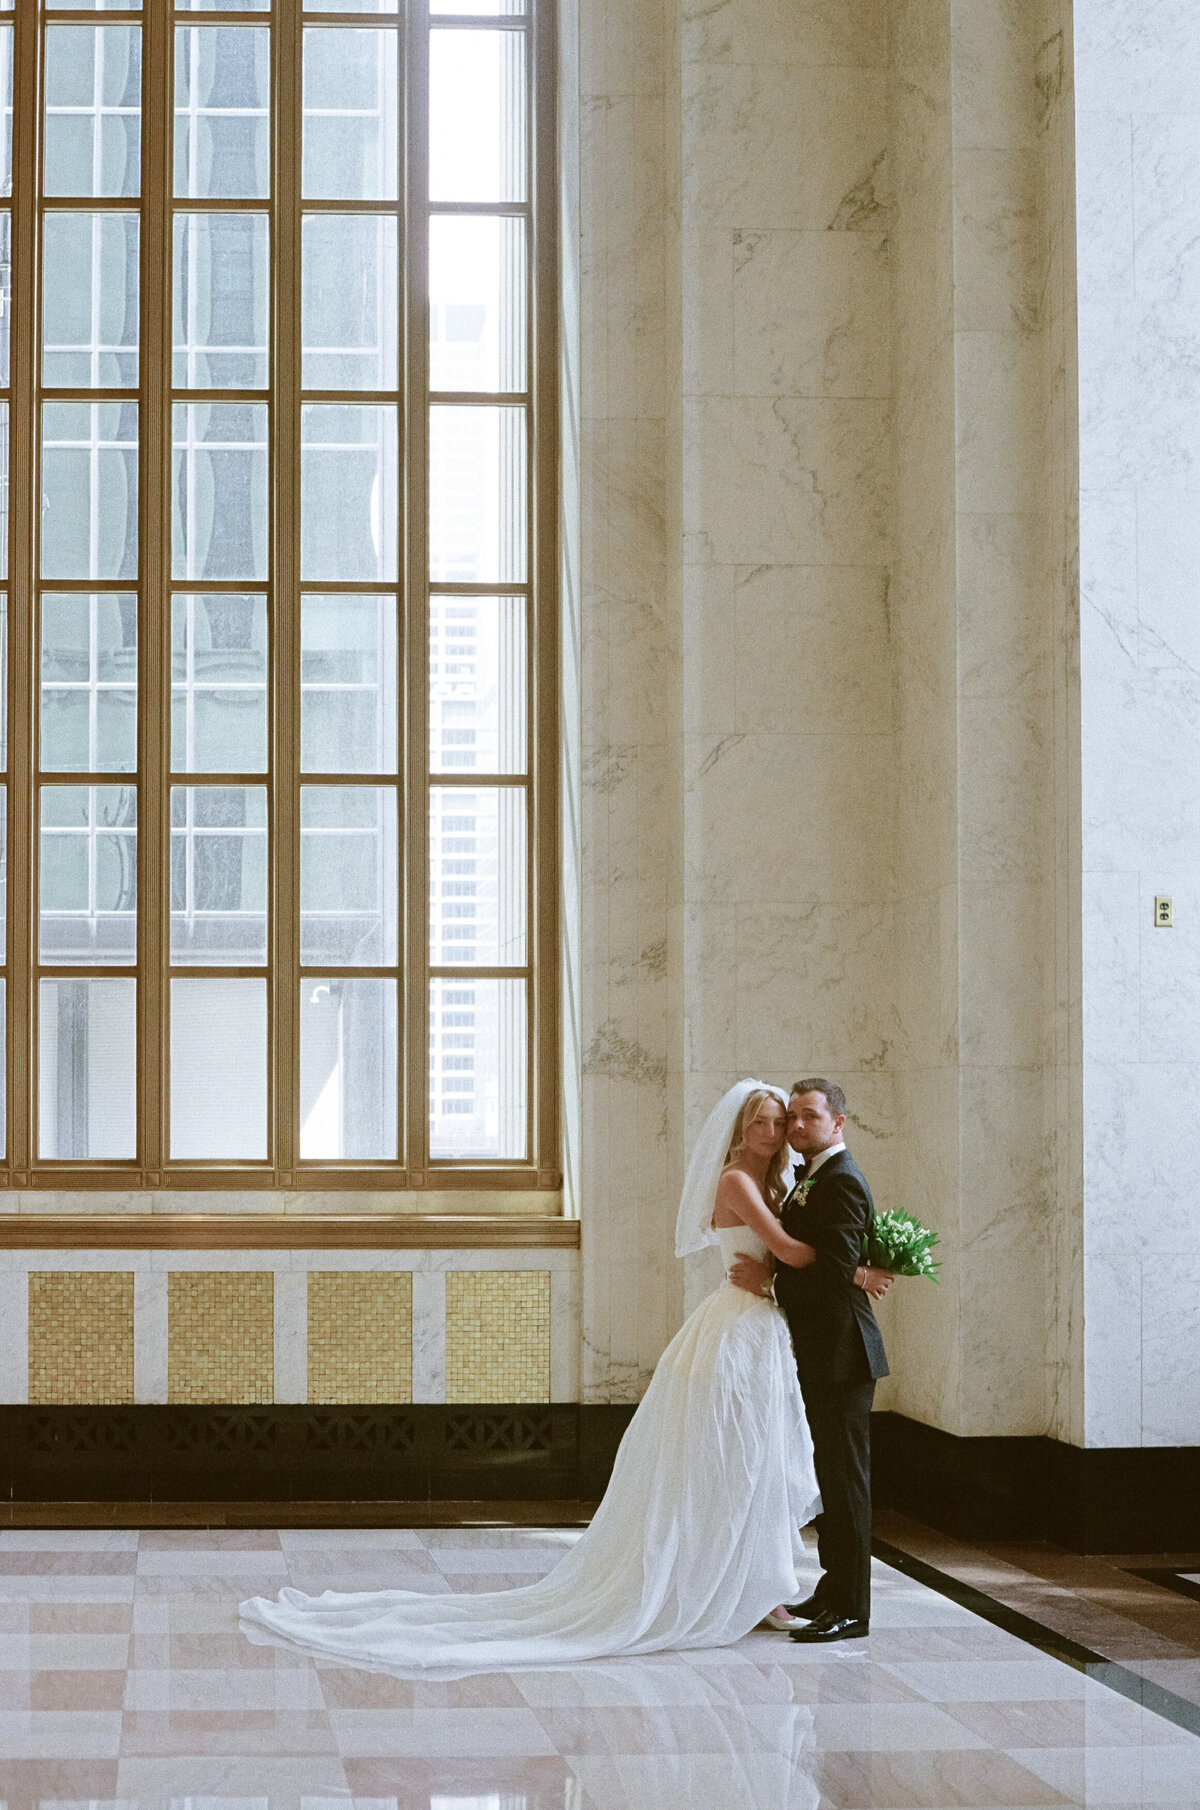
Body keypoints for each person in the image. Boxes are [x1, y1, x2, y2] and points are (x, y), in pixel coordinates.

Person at [240, 1080, 887, 1672]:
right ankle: (734, 1583)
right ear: (742, 1129)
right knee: (731, 1465)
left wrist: (845, 1270)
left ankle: (764, 1583)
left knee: (759, 1466)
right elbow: (794, 1250)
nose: (777, 1133)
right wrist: (811, 1270)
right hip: (739, 1331)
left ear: (827, 1123)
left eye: (787, 1122)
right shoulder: (742, 1183)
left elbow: (820, 1249)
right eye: (766, 1122)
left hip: (770, 1333)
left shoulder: (792, 1180)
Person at [730, 1078, 890, 1644]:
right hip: (822, 1350)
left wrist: (767, 1284)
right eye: (790, 1117)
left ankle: (852, 1609)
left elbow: (827, 1275)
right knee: (831, 1478)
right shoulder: (812, 1178)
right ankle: (833, 1589)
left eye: (808, 1117)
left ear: (838, 1123)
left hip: (843, 1352)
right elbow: (843, 1264)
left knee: (847, 1484)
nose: (796, 1127)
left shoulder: (840, 1181)